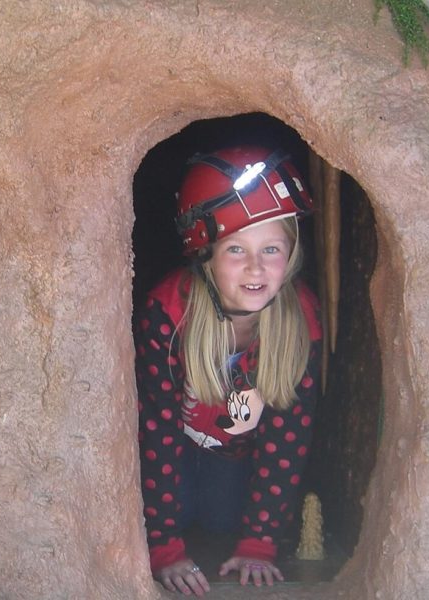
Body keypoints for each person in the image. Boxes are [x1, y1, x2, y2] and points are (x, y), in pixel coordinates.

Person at [135, 146, 322, 596]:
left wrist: (260, 542)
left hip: (233, 460)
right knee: (170, 509)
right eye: (236, 248)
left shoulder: (300, 318)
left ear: (292, 255)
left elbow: (288, 435)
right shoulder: (168, 311)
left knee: (222, 519)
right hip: (168, 456)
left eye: (271, 248)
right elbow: (154, 427)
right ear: (206, 256)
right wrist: (163, 548)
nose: (256, 267)